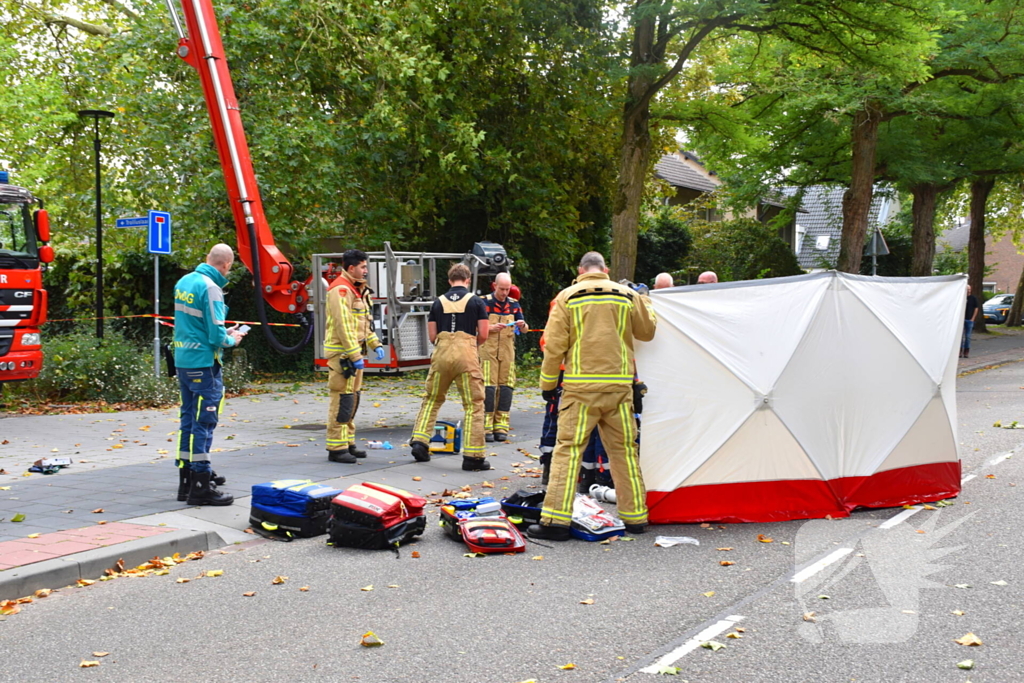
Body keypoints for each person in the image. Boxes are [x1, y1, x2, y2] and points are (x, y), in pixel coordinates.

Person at [528, 251, 657, 541]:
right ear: (605, 269)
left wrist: (548, 385)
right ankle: (636, 517)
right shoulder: (626, 295)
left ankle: (555, 522)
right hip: (619, 389)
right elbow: (647, 332)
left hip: (579, 390)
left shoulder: (568, 297)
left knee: (568, 451)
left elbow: (553, 346)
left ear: (580, 270)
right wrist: (646, 301)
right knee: (624, 452)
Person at [173, 244, 246, 506]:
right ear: (226, 265)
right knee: (204, 423)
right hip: (204, 364)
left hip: (183, 361)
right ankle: (201, 486)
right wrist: (233, 338)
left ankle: (186, 479)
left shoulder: (184, 281)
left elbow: (194, 325)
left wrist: (222, 331)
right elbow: (216, 336)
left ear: (208, 259)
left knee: (188, 420)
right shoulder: (212, 288)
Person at [409, 263, 492, 471]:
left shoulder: (438, 302)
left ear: (449, 280)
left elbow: (431, 335)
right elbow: (483, 334)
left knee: (432, 399)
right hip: (466, 355)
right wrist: (470, 346)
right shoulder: (476, 302)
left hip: (442, 353)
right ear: (467, 280)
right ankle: (473, 456)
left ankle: (420, 442)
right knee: (474, 404)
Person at [324, 249, 386, 463]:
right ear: (351, 268)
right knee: (342, 399)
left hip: (353, 352)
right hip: (342, 353)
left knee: (352, 398)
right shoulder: (340, 290)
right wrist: (353, 354)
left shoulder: (357, 290)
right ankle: (336, 447)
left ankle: (348, 441)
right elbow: (343, 326)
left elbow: (363, 324)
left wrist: (375, 343)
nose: (366, 270)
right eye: (363, 267)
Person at [479, 272, 527, 442]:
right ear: (495, 286)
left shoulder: (514, 305)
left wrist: (522, 325)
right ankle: (486, 426)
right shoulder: (483, 302)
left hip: (507, 351)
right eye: (501, 289)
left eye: (507, 289)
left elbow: (525, 328)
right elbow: (475, 327)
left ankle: (501, 426)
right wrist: (490, 328)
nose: (505, 293)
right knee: (488, 388)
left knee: (506, 387)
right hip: (487, 351)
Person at [962, 284, 979, 358]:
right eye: (967, 289)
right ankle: (959, 350)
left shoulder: (973, 298)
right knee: (960, 337)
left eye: (969, 289)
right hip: (962, 320)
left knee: (968, 336)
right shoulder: (962, 298)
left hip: (969, 319)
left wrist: (973, 318)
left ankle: (966, 351)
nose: (969, 291)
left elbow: (976, 308)